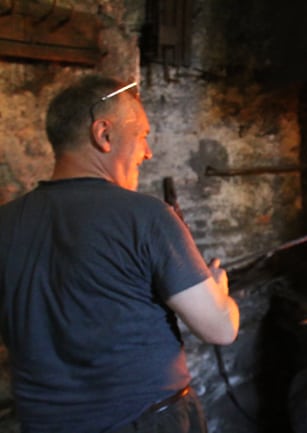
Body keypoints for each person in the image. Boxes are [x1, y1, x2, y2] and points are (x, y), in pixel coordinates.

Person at [0, 75, 240, 433]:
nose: (148, 152)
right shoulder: (145, 216)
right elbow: (219, 329)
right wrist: (219, 293)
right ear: (104, 134)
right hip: (144, 421)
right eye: (142, 135)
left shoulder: (5, 222)